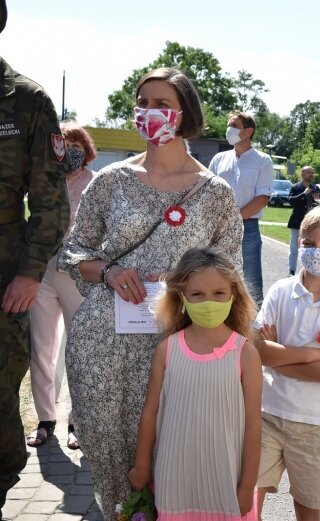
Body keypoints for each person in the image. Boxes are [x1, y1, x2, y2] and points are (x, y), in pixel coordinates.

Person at [58, 67, 243, 520]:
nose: (149, 112)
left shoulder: (214, 192)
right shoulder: (111, 180)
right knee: (112, 457)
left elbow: (231, 270)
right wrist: (111, 271)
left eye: (161, 104)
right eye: (142, 103)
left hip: (179, 342)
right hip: (104, 342)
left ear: (183, 115)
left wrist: (187, 280)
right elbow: (75, 249)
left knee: (173, 457)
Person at [129, 246, 261, 519]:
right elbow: (151, 413)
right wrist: (142, 466)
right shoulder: (167, 350)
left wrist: (248, 485)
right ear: (182, 296)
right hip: (174, 482)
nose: (208, 302)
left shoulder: (245, 353)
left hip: (226, 481)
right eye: (197, 294)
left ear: (233, 295)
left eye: (218, 294)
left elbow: (252, 424)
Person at [0, 1, 70, 516]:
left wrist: (29, 273)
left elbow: (50, 199)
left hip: (4, 271)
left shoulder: (25, 100)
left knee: (0, 385)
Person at [254, 205, 320, 521]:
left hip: (317, 423)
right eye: (309, 243)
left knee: (307, 507)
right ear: (298, 243)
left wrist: (277, 357)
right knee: (247, 501)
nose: (317, 251)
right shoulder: (280, 291)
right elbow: (256, 351)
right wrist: (312, 354)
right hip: (267, 413)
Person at [27, 122, 97, 451]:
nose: (68, 150)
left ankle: (78, 421)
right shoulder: (43, 181)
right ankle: (45, 419)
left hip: (77, 275)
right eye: (62, 143)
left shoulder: (95, 184)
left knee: (78, 350)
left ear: (84, 148)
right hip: (42, 271)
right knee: (42, 349)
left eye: (75, 144)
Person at [209, 111, 274, 304]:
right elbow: (208, 192)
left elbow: (262, 198)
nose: (228, 130)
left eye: (234, 126)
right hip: (217, 229)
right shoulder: (218, 159)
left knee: (250, 280)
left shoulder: (263, 160)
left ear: (248, 132)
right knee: (217, 276)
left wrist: (233, 219)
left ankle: (255, 328)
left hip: (248, 228)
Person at [287, 165, 320, 275]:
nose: (311, 175)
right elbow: (291, 201)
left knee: (310, 248)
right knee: (294, 248)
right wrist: (304, 194)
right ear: (302, 174)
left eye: (312, 172)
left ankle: (308, 271)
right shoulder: (295, 187)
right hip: (297, 222)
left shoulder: (315, 188)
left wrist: (318, 199)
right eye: (308, 172)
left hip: (312, 223)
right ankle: (291, 271)